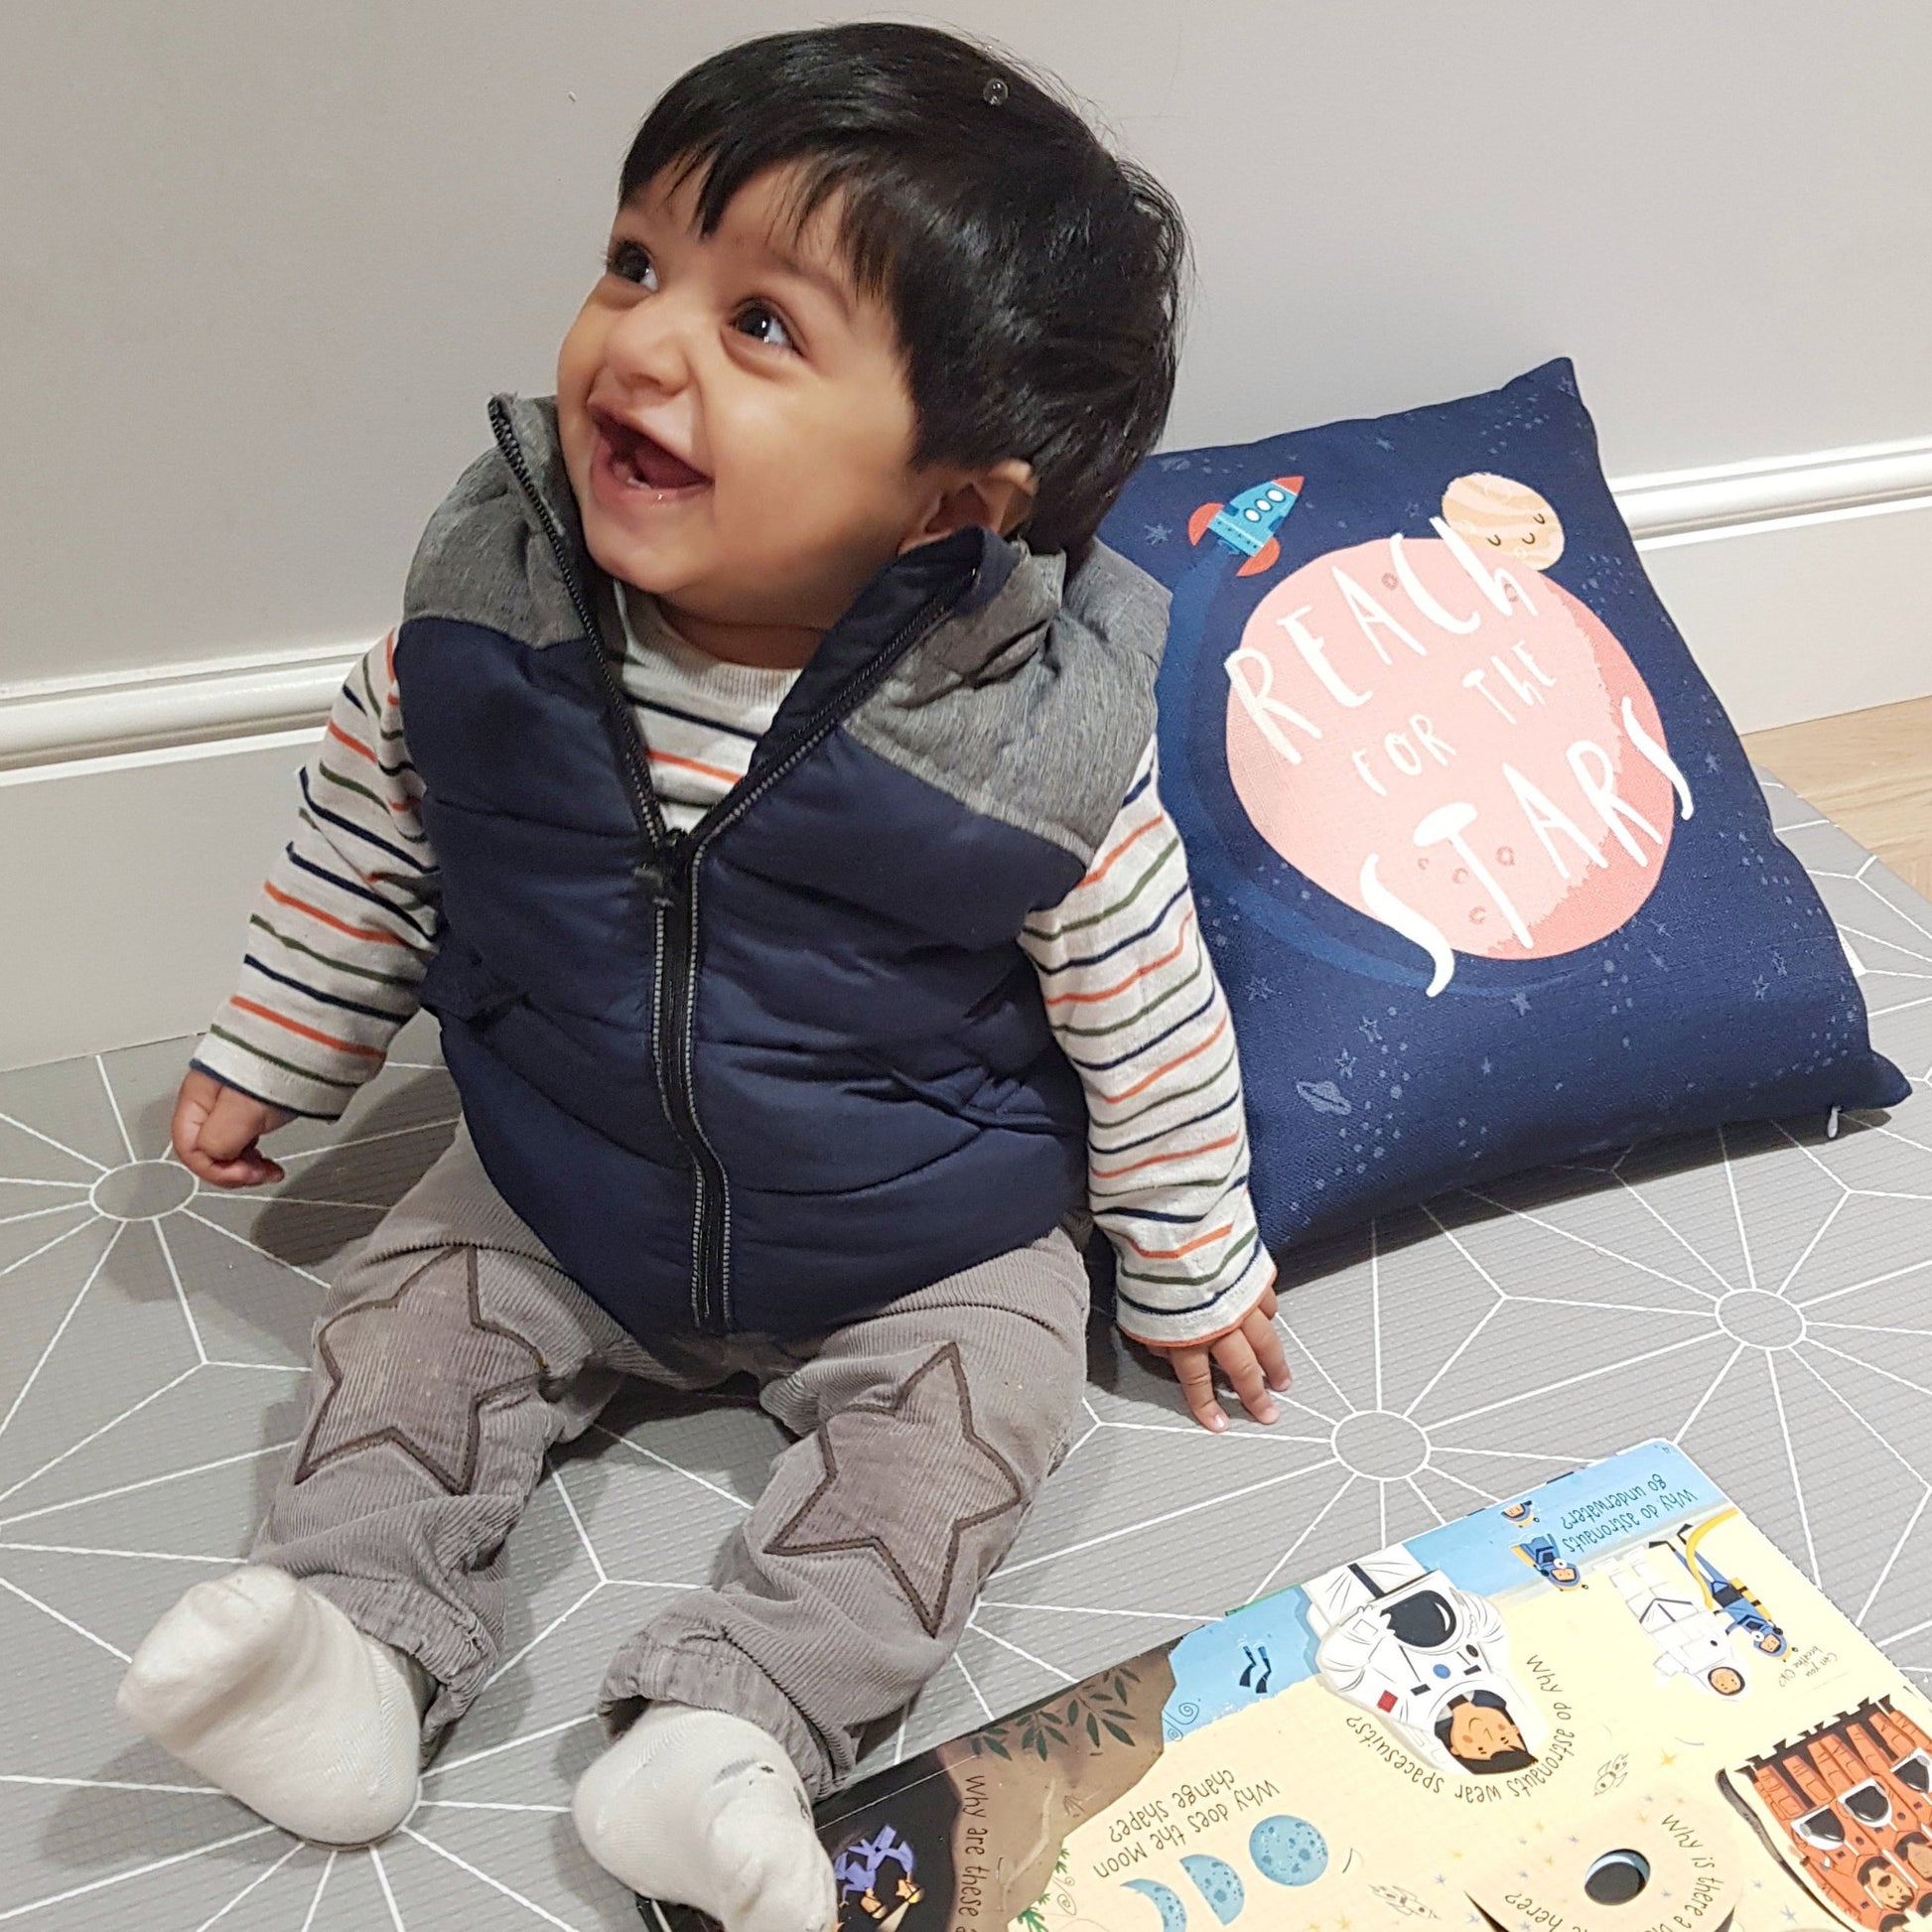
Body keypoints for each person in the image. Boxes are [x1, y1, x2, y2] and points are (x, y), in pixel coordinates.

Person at [112, 24, 1285, 1931]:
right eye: (638, 263)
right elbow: (366, 834)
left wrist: (1189, 1257)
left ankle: (731, 1737)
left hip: (924, 1232)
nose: (638, 344)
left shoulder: (1022, 747)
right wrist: (282, 1045)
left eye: (761, 328)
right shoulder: (491, 619)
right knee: (400, 1331)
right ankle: (344, 1644)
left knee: (973, 1430)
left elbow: (1142, 1008)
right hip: (555, 1172)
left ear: (948, 510)